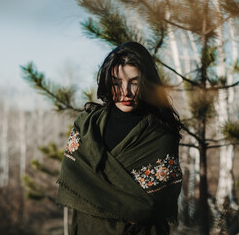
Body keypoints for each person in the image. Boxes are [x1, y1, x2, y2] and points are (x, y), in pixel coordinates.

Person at [57, 41, 182, 235]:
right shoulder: (87, 126)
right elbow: (74, 178)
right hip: (89, 229)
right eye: (117, 83)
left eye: (134, 82)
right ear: (107, 83)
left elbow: (157, 204)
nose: (126, 92)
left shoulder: (161, 134)